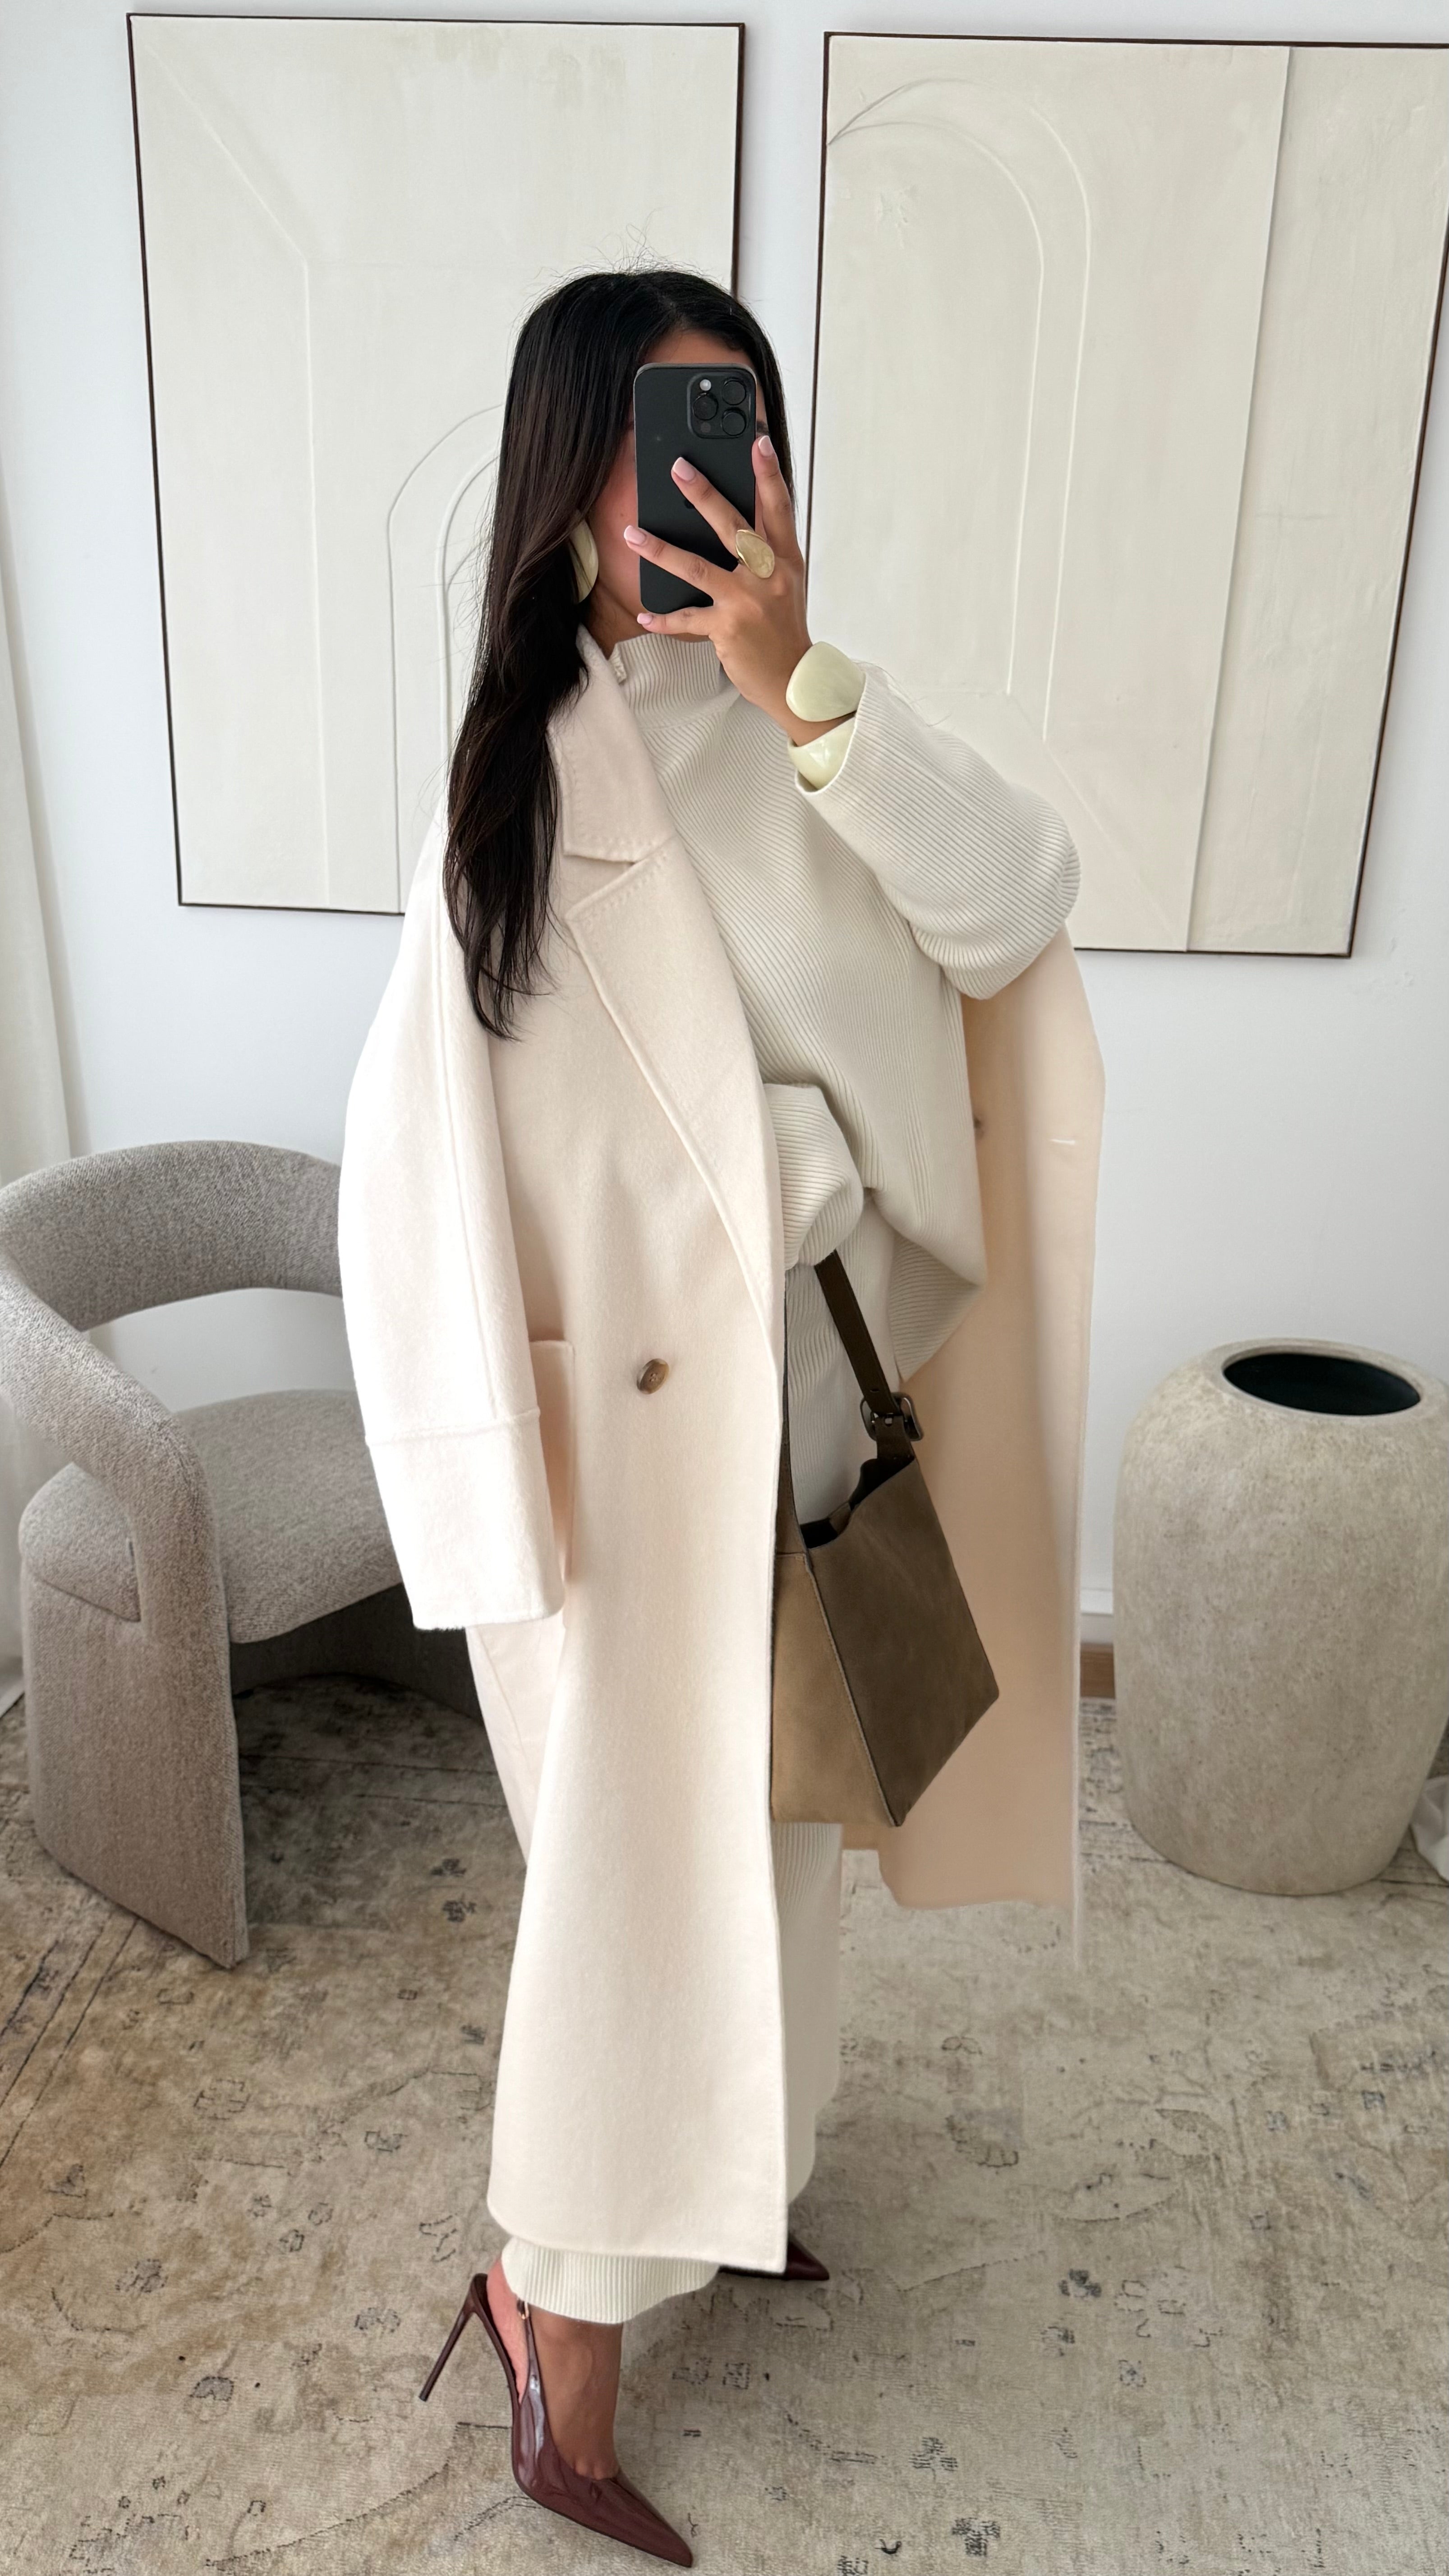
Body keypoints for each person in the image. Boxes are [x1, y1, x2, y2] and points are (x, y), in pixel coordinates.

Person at [338, 268, 1100, 2567]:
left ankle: (735, 2183)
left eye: (741, 425)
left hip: (811, 1411)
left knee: (780, 1847)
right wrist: (481, 1527)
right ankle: (554, 2336)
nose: (707, 476)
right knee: (628, 1910)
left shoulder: (811, 725)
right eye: (664, 431)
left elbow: (1015, 914)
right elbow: (414, 1185)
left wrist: (803, 681)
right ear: (570, 469)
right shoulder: (513, 785)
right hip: (621, 1469)